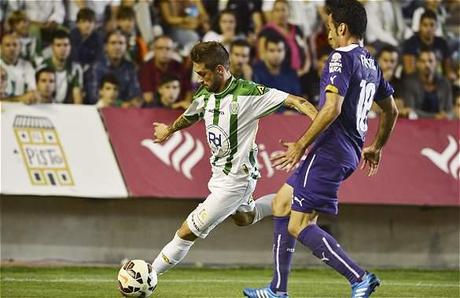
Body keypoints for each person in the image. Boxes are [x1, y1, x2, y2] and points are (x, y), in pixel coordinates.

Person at [243, 0, 398, 297]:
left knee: (299, 225)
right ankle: (277, 289)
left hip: (331, 149)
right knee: (282, 204)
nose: (327, 34)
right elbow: (392, 111)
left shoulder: (341, 57)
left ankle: (359, 278)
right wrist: (376, 146)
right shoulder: (371, 62)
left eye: (329, 27)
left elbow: (331, 109)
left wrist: (301, 144)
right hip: (349, 149)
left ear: (342, 28)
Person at [150, 41, 318, 280]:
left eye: (203, 73)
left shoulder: (249, 93)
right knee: (244, 218)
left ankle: (148, 276)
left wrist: (320, 125)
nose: (199, 79)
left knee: (186, 232)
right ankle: (288, 199)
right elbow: (192, 114)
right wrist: (169, 130)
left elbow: (298, 102)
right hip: (218, 175)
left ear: (220, 69)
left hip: (236, 180)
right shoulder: (205, 92)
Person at [85, 29, 142, 106]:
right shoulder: (96, 67)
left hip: (126, 112)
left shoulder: (130, 68)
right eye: (113, 43)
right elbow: (93, 97)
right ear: (105, 47)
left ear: (126, 47)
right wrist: (120, 104)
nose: (117, 47)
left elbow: (135, 95)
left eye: (121, 43)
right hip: (100, 111)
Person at [138, 35, 192, 108]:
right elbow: (148, 98)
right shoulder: (145, 69)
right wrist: (173, 106)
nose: (164, 51)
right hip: (154, 110)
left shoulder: (180, 67)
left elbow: (188, 91)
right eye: (160, 48)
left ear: (173, 51)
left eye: (168, 48)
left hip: (179, 111)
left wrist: (186, 106)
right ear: (154, 50)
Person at [402, 10, 455, 80]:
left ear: (436, 27)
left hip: (439, 82)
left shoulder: (442, 43)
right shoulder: (411, 43)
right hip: (416, 83)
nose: (429, 29)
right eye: (425, 25)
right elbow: (410, 71)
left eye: (432, 25)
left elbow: (448, 70)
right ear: (419, 26)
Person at [402, 47, 453, 119]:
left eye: (430, 61)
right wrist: (435, 116)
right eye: (423, 61)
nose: (427, 65)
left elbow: (449, 111)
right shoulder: (410, 83)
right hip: (415, 126)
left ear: (436, 63)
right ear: (418, 63)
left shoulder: (445, 83)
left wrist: (446, 116)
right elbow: (410, 111)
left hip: (441, 125)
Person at [36, 29, 84, 104]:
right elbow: (38, 93)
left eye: (65, 45)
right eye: (58, 45)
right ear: (52, 47)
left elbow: (77, 100)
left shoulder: (76, 69)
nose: (62, 49)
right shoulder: (42, 67)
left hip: (66, 110)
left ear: (70, 47)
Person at [1, 33, 36, 104]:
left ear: (20, 47)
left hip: (22, 110)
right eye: (7, 45)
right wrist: (20, 98)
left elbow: (32, 92)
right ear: (1, 48)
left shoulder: (27, 66)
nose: (12, 48)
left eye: (15, 45)